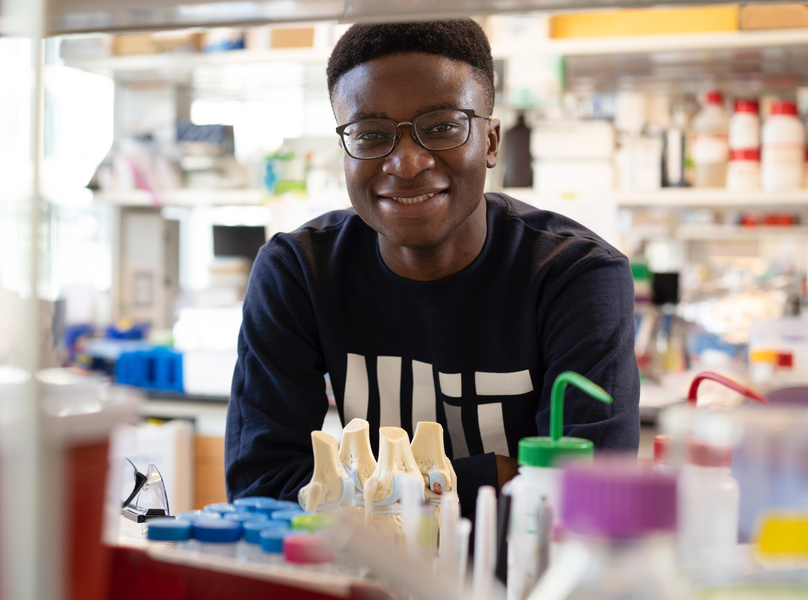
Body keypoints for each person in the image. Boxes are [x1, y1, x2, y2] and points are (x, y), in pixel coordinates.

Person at [225, 19, 639, 519]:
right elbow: (261, 488)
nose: (405, 162)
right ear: (344, 150)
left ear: (489, 141)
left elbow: (591, 495)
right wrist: (499, 475)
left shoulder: (577, 277)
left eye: (442, 126)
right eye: (371, 134)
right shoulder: (299, 273)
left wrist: (365, 488)